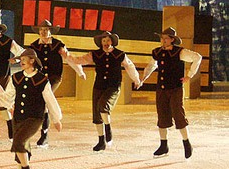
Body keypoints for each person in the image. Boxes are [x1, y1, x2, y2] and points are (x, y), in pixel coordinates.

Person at [4, 49, 63, 169]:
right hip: (18, 118)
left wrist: (56, 118)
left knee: (18, 142)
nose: (21, 61)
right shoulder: (16, 77)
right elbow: (8, 95)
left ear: (32, 61)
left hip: (34, 118)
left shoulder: (41, 80)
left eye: (24, 59)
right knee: (20, 152)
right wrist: (8, 105)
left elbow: (50, 99)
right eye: (21, 59)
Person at [67, 31, 141, 151]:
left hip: (113, 86)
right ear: (101, 42)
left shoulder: (119, 54)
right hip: (99, 86)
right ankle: (101, 141)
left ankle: (108, 127)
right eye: (104, 40)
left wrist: (136, 79)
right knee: (97, 114)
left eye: (108, 40)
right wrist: (66, 55)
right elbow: (79, 60)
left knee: (103, 105)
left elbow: (129, 66)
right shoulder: (95, 54)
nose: (106, 43)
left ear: (112, 41)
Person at [140, 27, 202, 159]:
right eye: (162, 38)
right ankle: (163, 145)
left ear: (172, 40)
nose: (163, 41)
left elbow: (197, 57)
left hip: (175, 89)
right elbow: (152, 65)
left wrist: (189, 75)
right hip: (161, 89)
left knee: (178, 115)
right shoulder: (157, 52)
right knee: (162, 115)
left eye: (166, 38)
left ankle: (186, 143)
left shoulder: (180, 52)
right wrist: (144, 77)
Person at [28, 19, 85, 147]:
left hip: (54, 77)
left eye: (46, 30)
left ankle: (44, 134)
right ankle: (40, 131)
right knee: (40, 102)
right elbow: (26, 58)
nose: (43, 32)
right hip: (39, 79)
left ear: (50, 31)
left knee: (45, 99)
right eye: (41, 30)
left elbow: (69, 58)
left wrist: (80, 71)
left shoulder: (58, 45)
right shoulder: (34, 46)